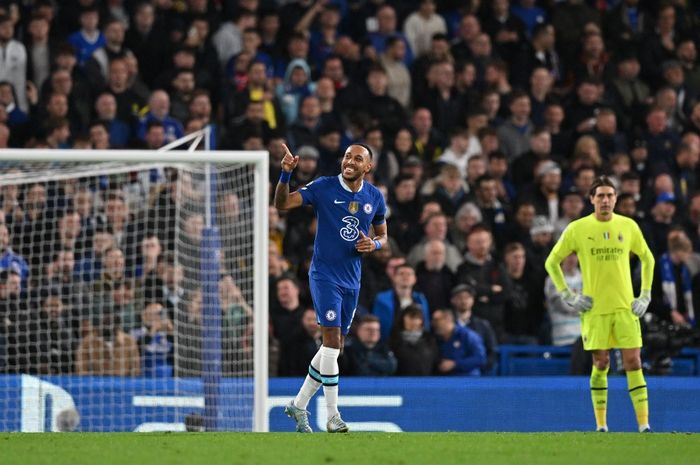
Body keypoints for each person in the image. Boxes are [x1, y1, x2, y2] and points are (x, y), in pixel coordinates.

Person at [274, 142, 388, 433]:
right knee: (332, 342)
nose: (350, 161)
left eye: (357, 158)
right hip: (324, 275)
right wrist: (286, 174)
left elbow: (383, 236)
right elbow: (283, 204)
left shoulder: (374, 197)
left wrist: (373, 244)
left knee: (330, 349)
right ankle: (333, 415)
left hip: (353, 279)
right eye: (347, 156)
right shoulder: (324, 187)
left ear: (368, 167)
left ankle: (298, 405)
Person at [545, 176, 655, 433]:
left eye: (610, 195)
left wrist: (645, 295)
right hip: (595, 309)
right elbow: (551, 262)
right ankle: (601, 424)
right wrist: (568, 295)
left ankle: (644, 425)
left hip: (625, 307)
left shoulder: (628, 226)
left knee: (634, 362)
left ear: (616, 199)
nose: (605, 200)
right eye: (600, 196)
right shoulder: (577, 229)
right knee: (601, 363)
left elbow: (648, 258)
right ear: (592, 199)